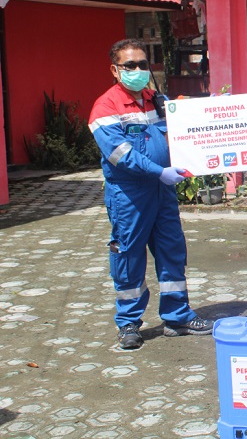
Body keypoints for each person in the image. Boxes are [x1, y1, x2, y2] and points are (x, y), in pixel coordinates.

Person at [88, 38, 214, 349]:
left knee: (172, 250)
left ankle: (177, 316)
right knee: (129, 256)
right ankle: (129, 323)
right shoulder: (105, 108)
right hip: (129, 195)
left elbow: (183, 129)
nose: (138, 70)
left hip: (162, 192)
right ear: (115, 70)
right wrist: (160, 172)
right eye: (129, 65)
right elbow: (121, 155)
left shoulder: (156, 99)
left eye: (143, 64)